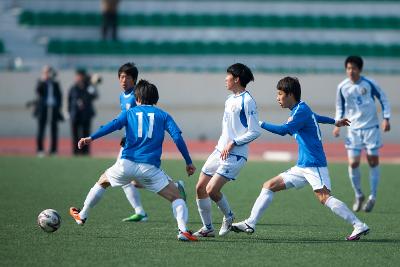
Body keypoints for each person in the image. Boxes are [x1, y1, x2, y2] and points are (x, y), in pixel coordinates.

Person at [231, 77, 369, 241]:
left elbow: (284, 130)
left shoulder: (300, 111)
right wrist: (335, 121)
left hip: (314, 164)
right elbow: (315, 117)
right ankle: (250, 223)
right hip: (303, 166)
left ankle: (358, 225)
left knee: (324, 198)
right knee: (269, 186)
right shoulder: (301, 109)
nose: (277, 98)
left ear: (290, 95)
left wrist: (258, 123)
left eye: (280, 94)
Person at [69, 79, 198, 241]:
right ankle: (183, 231)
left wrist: (91, 138)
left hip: (126, 164)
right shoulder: (164, 115)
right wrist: (188, 162)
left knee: (102, 181)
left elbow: (113, 125)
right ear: (156, 100)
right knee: (177, 197)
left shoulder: (129, 113)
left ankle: (82, 215)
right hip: (150, 168)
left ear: (137, 99)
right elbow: (177, 138)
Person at [193, 63, 261, 238]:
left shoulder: (248, 101)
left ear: (237, 79)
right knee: (200, 187)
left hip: (236, 154)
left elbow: (255, 131)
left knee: (211, 190)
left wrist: (233, 142)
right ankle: (207, 228)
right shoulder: (229, 100)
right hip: (219, 151)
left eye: (228, 76)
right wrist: (224, 144)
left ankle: (229, 216)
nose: (225, 79)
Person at [114, 63, 187, 222]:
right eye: (121, 76)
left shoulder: (138, 95)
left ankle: (144, 209)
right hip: (129, 144)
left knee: (129, 178)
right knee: (132, 180)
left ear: (134, 79)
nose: (123, 80)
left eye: (127, 77)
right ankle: (143, 209)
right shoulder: (122, 96)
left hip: (136, 146)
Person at [333, 56, 391, 213]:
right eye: (348, 68)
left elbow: (383, 100)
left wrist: (386, 118)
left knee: (373, 161)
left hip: (371, 128)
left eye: (354, 68)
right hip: (353, 129)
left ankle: (373, 196)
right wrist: (337, 124)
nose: (351, 71)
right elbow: (340, 106)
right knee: (353, 163)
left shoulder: (369, 83)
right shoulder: (342, 87)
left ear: (360, 69)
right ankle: (359, 194)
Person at [33, 65, 63, 157]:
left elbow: (59, 95)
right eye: (46, 72)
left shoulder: (55, 83)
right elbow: (38, 91)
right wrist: (43, 80)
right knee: (41, 129)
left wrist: (59, 108)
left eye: (49, 72)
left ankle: (53, 150)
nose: (48, 74)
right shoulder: (40, 82)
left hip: (53, 108)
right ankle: (40, 150)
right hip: (43, 108)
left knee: (54, 129)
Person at [68, 69, 98, 155]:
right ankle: (76, 152)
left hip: (86, 114)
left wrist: (93, 84)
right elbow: (70, 100)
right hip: (75, 114)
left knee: (86, 134)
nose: (79, 78)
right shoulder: (73, 88)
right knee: (75, 135)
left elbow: (95, 96)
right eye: (78, 76)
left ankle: (85, 152)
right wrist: (68, 112)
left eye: (81, 76)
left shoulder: (88, 86)